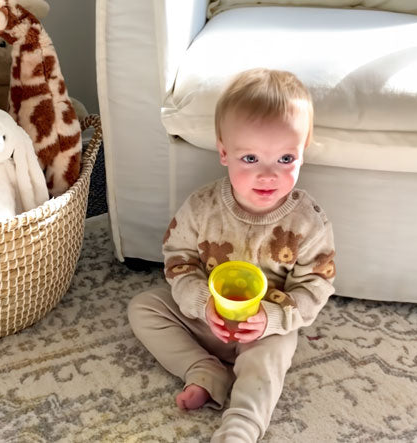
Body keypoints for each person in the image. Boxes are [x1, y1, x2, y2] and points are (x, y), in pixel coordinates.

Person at [127, 68, 336, 442]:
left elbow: (316, 286)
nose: (269, 175)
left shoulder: (309, 222)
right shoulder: (202, 207)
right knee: (144, 307)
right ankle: (204, 370)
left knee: (273, 355)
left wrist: (271, 318)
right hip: (207, 317)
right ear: (224, 153)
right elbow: (178, 260)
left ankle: (241, 427)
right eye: (251, 159)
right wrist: (202, 302)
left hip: (263, 329)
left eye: (286, 159)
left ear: (303, 152)